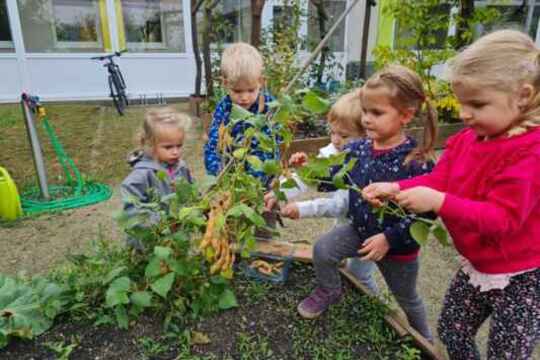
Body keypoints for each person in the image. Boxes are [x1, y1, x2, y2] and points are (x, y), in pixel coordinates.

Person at [363, 30, 540, 359]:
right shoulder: (468, 139)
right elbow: (441, 177)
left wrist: (439, 202)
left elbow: (502, 219)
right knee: (451, 329)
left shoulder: (530, 154)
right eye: (461, 102)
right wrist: (397, 187)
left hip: (522, 277)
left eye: (477, 104)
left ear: (523, 96)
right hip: (477, 264)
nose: (463, 113)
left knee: (507, 352)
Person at [292, 65, 437, 343]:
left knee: (406, 297)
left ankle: (424, 338)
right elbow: (335, 177)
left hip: (398, 247)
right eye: (365, 111)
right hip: (359, 230)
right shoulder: (357, 148)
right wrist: (309, 168)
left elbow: (426, 215)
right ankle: (330, 290)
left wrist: (389, 238)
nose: (367, 120)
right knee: (323, 250)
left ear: (406, 115)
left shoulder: (417, 161)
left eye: (377, 113)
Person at [271, 91, 379, 294]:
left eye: (344, 136)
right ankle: (350, 295)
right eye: (332, 132)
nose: (336, 140)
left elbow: (340, 204)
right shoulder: (332, 151)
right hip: (346, 224)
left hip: (370, 229)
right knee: (344, 264)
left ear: (366, 134)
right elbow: (308, 176)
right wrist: (279, 192)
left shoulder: (363, 163)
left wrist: (303, 209)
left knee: (360, 274)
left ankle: (378, 307)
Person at [203, 42, 276, 186]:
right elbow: (213, 144)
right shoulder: (224, 109)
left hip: (262, 181)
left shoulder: (268, 107)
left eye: (250, 90)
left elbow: (272, 144)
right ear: (225, 84)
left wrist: (265, 178)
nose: (244, 97)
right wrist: (217, 172)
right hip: (231, 179)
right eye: (237, 91)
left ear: (260, 82)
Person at [121, 107, 192, 249]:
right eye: (168, 147)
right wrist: (161, 223)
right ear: (150, 144)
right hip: (150, 240)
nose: (175, 152)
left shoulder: (181, 166)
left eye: (179, 146)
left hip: (176, 235)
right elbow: (133, 211)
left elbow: (191, 191)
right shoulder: (142, 175)